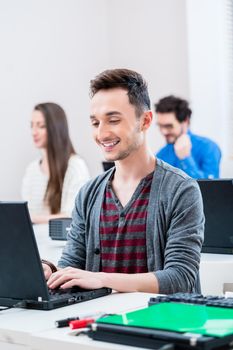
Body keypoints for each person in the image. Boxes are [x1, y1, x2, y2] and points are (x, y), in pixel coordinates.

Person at [43, 69, 204, 295]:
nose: (102, 133)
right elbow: (73, 266)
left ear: (145, 120)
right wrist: (52, 272)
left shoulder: (181, 189)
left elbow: (180, 278)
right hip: (99, 322)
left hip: (160, 323)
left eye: (113, 120)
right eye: (95, 123)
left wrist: (102, 279)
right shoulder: (88, 193)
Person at [21, 102, 90, 224]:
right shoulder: (32, 169)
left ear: (56, 129)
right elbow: (27, 212)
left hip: (61, 242)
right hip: (34, 240)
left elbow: (71, 216)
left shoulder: (75, 166)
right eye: (32, 126)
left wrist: (30, 218)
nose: (34, 132)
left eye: (41, 126)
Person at [154, 95, 221, 179]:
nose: (163, 131)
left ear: (185, 121)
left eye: (169, 126)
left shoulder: (209, 148)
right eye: (160, 126)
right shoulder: (161, 155)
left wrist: (185, 159)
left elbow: (211, 188)